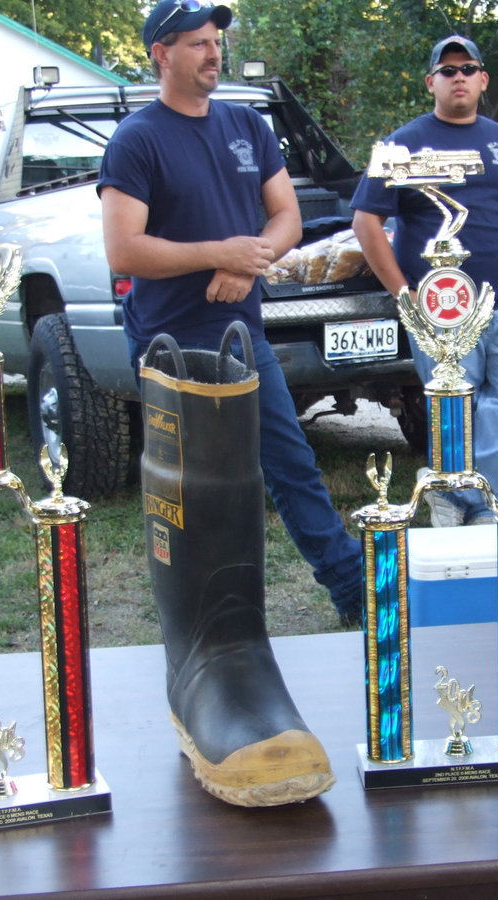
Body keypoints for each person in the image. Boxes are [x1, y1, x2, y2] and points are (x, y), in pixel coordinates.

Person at [97, 0, 362, 625]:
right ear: (161, 55)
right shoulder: (136, 141)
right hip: (172, 344)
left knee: (290, 463)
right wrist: (220, 251)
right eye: (196, 42)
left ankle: (354, 590)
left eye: (215, 40)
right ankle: (199, 613)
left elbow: (287, 218)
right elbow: (123, 249)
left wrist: (247, 261)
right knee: (191, 488)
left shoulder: (248, 127)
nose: (214, 52)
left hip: (243, 335)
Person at [352, 34, 498, 526]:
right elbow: (366, 222)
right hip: (440, 308)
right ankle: (458, 502)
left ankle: (475, 501)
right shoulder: (402, 143)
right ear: (431, 83)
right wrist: (404, 295)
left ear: (483, 79)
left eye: (468, 68)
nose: (458, 76)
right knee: (454, 410)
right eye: (447, 71)